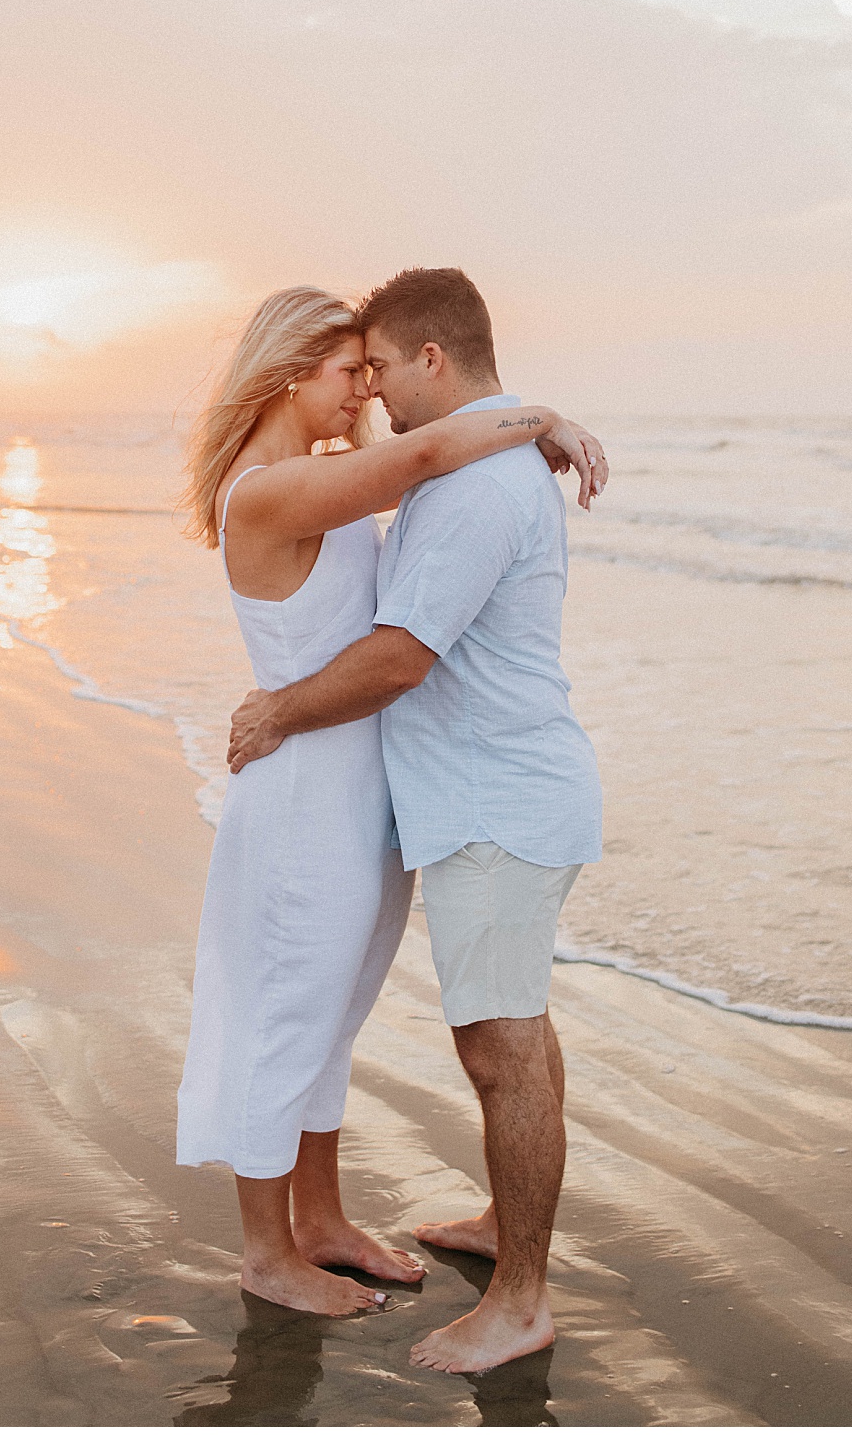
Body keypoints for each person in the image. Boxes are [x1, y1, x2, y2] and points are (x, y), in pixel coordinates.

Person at [176, 284, 605, 1321]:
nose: (363, 392)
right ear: (286, 371)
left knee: (331, 1014)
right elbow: (418, 461)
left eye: (374, 372)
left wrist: (519, 430)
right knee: (286, 1013)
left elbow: (424, 476)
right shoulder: (266, 492)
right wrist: (539, 418)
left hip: (367, 793)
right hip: (303, 795)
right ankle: (269, 1250)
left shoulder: (319, 477)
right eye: (346, 372)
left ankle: (319, 1218)